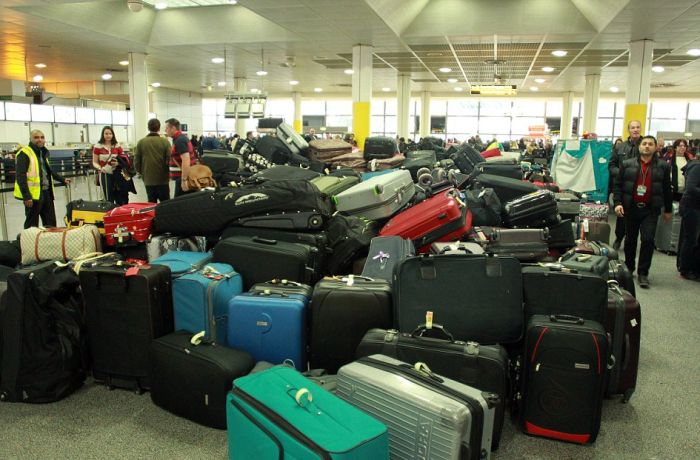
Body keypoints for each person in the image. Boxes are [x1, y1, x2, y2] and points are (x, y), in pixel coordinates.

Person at [613, 135, 673, 288]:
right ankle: (629, 267)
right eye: (644, 143)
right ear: (639, 147)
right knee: (630, 240)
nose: (647, 146)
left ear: (655, 147)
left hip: (650, 210)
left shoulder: (663, 166)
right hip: (631, 208)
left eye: (650, 144)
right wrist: (618, 203)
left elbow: (667, 189)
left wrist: (668, 209)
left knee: (648, 240)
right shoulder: (627, 164)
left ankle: (643, 273)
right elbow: (618, 185)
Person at [14, 129, 71, 228]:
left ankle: (50, 238)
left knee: (50, 224)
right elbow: (20, 176)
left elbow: (48, 171)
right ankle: (30, 239)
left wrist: (62, 179)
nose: (40, 139)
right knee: (32, 226)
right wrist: (26, 196)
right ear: (30, 139)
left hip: (47, 193)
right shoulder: (24, 153)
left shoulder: (42, 153)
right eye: (36, 137)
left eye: (42, 137)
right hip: (33, 196)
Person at [610, 120, 643, 250]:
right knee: (621, 216)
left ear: (640, 129)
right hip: (623, 186)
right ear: (628, 130)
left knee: (638, 215)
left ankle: (632, 240)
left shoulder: (646, 145)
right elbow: (611, 165)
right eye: (633, 127)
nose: (635, 130)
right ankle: (619, 238)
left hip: (641, 186)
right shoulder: (620, 147)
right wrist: (621, 174)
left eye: (638, 127)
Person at [92, 126, 135, 205]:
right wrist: (99, 168)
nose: (108, 135)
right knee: (108, 198)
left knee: (121, 197)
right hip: (105, 174)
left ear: (113, 135)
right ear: (103, 134)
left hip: (118, 174)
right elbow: (94, 162)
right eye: (106, 133)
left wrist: (118, 163)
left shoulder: (117, 146)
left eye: (110, 133)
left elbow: (123, 159)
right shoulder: (97, 146)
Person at [134, 118, 171, 203]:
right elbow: (169, 159)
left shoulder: (141, 142)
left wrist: (141, 172)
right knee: (165, 203)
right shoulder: (165, 142)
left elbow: (136, 161)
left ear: (148, 128)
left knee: (151, 203)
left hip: (148, 178)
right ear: (159, 128)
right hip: (163, 179)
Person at [678, 155, 700, 280]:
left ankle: (693, 268)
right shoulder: (697, 166)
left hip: (695, 206)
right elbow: (691, 188)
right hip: (691, 206)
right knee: (691, 238)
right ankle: (685, 269)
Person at [164, 118, 196, 197]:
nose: (165, 130)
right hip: (183, 176)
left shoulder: (180, 140)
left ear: (173, 128)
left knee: (179, 202)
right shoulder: (179, 139)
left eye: (166, 128)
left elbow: (186, 160)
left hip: (183, 177)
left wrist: (184, 180)